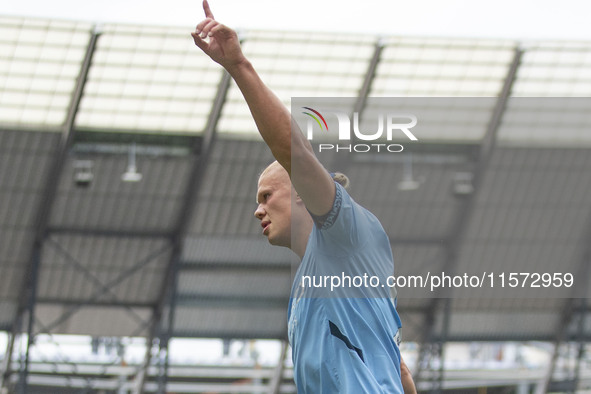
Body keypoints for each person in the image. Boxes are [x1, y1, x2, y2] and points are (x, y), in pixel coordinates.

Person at [192, 2, 417, 393]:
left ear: (299, 192)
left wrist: (238, 66)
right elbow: (398, 370)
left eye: (266, 195)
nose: (256, 209)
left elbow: (293, 148)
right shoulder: (312, 282)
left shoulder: (347, 233)